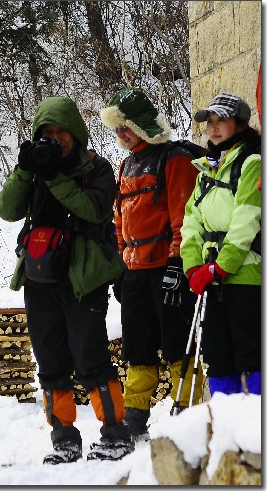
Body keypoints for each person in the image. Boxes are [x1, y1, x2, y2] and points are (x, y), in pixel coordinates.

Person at [0, 96, 133, 464]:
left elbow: (93, 209)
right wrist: (25, 171)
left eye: (61, 132)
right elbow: (7, 210)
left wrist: (55, 177)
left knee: (90, 356)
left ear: (76, 132)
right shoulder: (36, 168)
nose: (55, 139)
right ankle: (64, 437)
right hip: (40, 276)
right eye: (47, 133)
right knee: (50, 359)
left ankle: (116, 432)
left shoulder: (97, 168)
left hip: (84, 277)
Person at [99, 87, 202, 441]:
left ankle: (188, 412)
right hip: (136, 273)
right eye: (116, 131)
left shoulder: (172, 159)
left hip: (167, 270)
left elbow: (184, 217)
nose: (121, 136)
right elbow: (118, 223)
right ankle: (135, 416)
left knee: (178, 345)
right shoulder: (126, 165)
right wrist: (121, 267)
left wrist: (177, 264)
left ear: (142, 125)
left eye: (125, 128)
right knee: (137, 348)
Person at [180, 92, 262, 396]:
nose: (213, 128)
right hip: (211, 282)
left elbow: (245, 222)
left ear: (239, 124)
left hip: (246, 276)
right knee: (218, 355)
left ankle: (257, 424)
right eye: (209, 122)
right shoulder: (205, 171)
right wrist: (192, 269)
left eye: (221, 121)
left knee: (252, 353)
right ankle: (223, 425)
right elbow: (191, 223)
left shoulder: (252, 162)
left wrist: (219, 268)